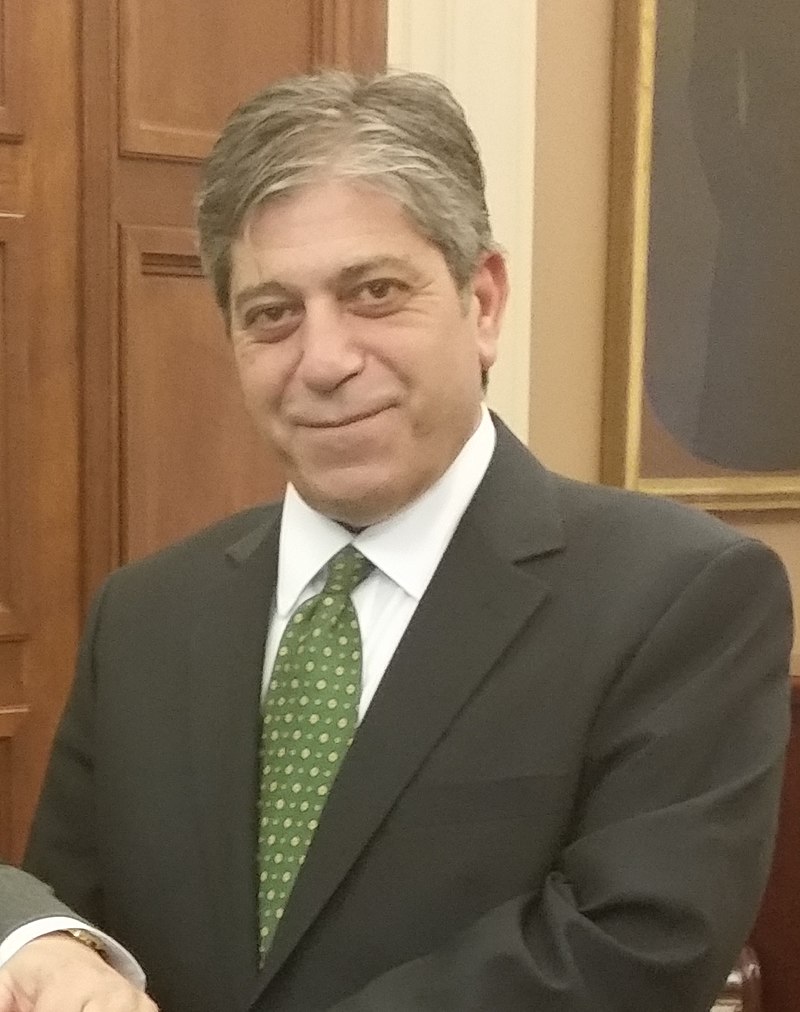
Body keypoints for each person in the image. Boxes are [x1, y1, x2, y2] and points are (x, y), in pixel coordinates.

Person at [0, 70, 793, 1012]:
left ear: (482, 301)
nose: (324, 361)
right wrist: (36, 940)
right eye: (272, 314)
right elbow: (65, 910)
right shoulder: (144, 614)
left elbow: (628, 957)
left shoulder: (680, 597)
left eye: (373, 292)